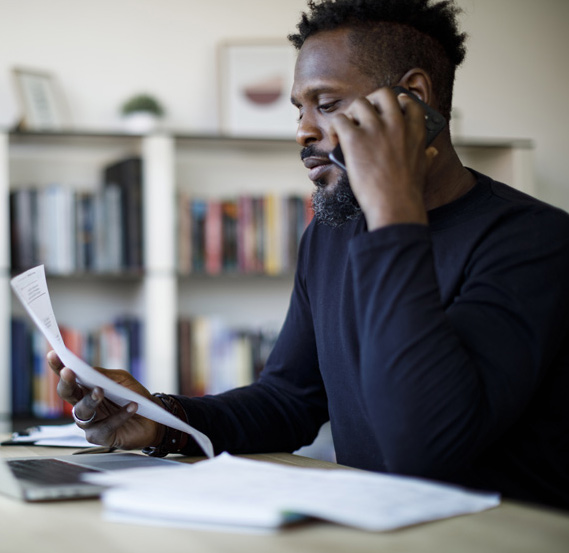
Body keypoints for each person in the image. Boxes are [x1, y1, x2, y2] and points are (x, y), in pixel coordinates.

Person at [48, 0, 569, 510]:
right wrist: (163, 420)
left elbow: (425, 449)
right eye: (299, 109)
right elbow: (289, 400)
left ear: (411, 99)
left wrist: (391, 205)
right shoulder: (331, 233)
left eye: (327, 103)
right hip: (375, 532)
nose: (303, 131)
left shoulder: (534, 241)